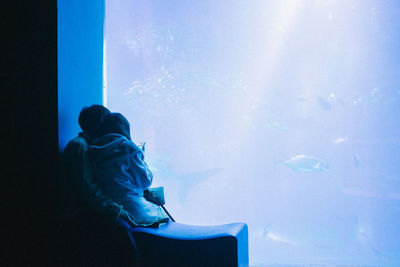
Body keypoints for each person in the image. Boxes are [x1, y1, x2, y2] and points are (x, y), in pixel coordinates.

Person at [59, 105, 140, 266]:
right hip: (78, 215)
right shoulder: (79, 147)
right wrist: (118, 211)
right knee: (121, 229)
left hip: (88, 210)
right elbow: (89, 190)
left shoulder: (93, 147)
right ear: (101, 123)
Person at [88, 112, 169, 227]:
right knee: (160, 211)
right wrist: (142, 157)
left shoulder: (92, 149)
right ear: (124, 128)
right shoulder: (128, 147)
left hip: (107, 210)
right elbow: (145, 182)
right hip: (132, 208)